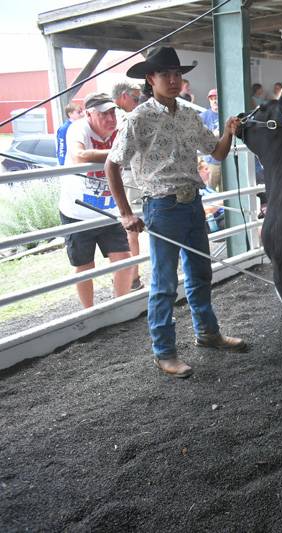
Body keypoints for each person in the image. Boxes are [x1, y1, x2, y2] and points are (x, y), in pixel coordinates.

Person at [106, 46, 247, 378]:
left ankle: (207, 333)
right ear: (150, 79)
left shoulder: (188, 113)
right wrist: (126, 213)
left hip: (192, 203)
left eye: (177, 74)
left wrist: (228, 132)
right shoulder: (138, 118)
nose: (173, 79)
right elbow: (112, 165)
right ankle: (164, 352)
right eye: (165, 74)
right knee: (165, 283)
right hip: (162, 206)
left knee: (200, 274)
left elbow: (216, 152)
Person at [57, 92, 132, 308]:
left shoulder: (120, 129)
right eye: (103, 114)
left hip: (109, 211)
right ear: (89, 114)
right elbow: (79, 155)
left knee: (124, 260)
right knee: (84, 266)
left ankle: (121, 307)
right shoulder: (78, 128)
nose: (110, 119)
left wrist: (121, 151)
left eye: (112, 113)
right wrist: (119, 152)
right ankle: (88, 313)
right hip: (77, 212)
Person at [111, 81, 144, 291]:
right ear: (123, 97)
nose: (138, 102)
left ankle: (132, 276)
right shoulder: (121, 116)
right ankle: (133, 276)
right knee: (131, 228)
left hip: (131, 175)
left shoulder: (121, 115)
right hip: (129, 175)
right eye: (135, 98)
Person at [200, 88, 222, 190]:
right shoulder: (203, 116)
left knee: (227, 193)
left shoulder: (227, 113)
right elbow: (197, 136)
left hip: (227, 160)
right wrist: (214, 134)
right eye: (212, 98)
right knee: (210, 191)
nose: (215, 101)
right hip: (211, 161)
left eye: (216, 98)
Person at [198, 159, 224, 233]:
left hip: (225, 215)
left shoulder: (206, 188)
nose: (209, 171)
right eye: (206, 169)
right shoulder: (198, 191)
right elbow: (205, 211)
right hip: (217, 221)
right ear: (198, 172)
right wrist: (225, 201)